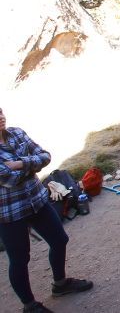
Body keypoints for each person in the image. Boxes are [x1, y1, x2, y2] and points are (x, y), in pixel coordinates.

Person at [0, 107, 93, 313]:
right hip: (9, 213)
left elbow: (46, 156)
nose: (0, 117)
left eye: (0, 112)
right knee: (20, 259)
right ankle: (30, 306)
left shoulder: (17, 133)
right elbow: (9, 179)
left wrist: (19, 163)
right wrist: (32, 165)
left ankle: (60, 285)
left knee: (60, 240)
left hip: (37, 200)